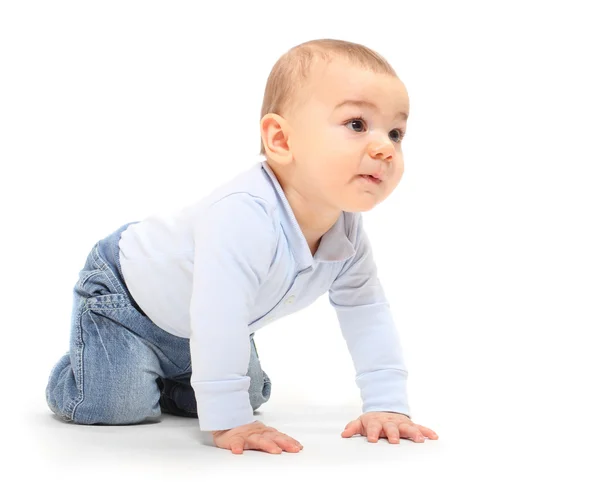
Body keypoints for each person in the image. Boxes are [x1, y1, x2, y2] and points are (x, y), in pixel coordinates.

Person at [46, 38, 439, 455]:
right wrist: (230, 422)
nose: (384, 148)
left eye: (396, 133)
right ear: (281, 140)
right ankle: (88, 361)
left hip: (199, 322)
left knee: (245, 395)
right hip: (127, 298)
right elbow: (220, 315)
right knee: (117, 405)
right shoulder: (244, 216)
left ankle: (167, 375)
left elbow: (366, 312)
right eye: (357, 124)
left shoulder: (347, 235)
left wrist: (387, 405)